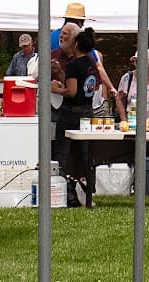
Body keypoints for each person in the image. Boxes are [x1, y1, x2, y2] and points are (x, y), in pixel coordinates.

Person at [50, 25, 97, 207]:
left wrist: (56, 89)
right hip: (87, 112)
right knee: (87, 155)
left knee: (61, 155)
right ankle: (89, 194)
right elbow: (78, 85)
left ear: (76, 44)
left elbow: (71, 91)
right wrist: (62, 76)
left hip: (70, 114)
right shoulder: (91, 64)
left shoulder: (73, 65)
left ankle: (60, 193)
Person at [116, 50, 149, 123]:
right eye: (136, 61)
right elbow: (119, 99)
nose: (138, 64)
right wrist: (124, 120)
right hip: (133, 124)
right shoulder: (127, 78)